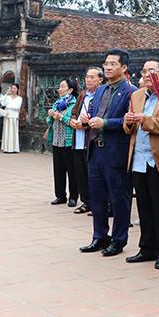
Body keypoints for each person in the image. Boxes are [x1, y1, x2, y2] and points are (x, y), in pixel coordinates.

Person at [124, 60, 159, 269]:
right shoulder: (136, 95)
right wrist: (129, 120)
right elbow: (128, 127)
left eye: (152, 71)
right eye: (144, 71)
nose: (147, 74)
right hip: (139, 158)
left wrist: (145, 120)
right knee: (143, 206)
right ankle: (146, 247)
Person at [79, 49, 135, 257]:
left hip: (116, 151)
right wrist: (86, 120)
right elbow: (95, 115)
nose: (108, 67)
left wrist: (106, 123)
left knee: (119, 197)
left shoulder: (131, 91)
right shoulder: (101, 90)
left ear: (124, 67)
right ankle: (99, 236)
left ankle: (119, 239)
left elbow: (130, 121)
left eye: (113, 64)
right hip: (96, 149)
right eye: (106, 64)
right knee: (97, 196)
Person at [69, 68, 103, 213]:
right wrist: (73, 121)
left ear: (100, 79)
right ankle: (86, 201)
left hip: (92, 141)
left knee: (93, 175)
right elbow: (74, 113)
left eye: (92, 77)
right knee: (81, 173)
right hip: (78, 140)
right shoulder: (82, 95)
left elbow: (100, 118)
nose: (88, 80)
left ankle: (98, 203)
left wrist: (85, 124)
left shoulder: (102, 96)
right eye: (87, 77)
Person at [47, 79, 79, 205]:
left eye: (62, 87)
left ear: (70, 90)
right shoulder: (57, 103)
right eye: (59, 87)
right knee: (58, 170)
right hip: (56, 140)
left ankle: (73, 196)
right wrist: (50, 115)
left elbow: (72, 122)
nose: (59, 89)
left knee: (72, 170)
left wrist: (60, 117)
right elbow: (49, 122)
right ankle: (60, 195)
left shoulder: (74, 104)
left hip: (68, 141)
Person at [0, 84, 22, 153]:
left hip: (14, 116)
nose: (13, 90)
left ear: (17, 89)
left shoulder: (19, 98)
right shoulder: (7, 97)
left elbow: (17, 107)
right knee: (6, 132)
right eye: (12, 88)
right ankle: (6, 148)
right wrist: (6, 94)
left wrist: (8, 106)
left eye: (14, 88)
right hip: (7, 116)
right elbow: (3, 103)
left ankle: (14, 148)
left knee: (13, 132)